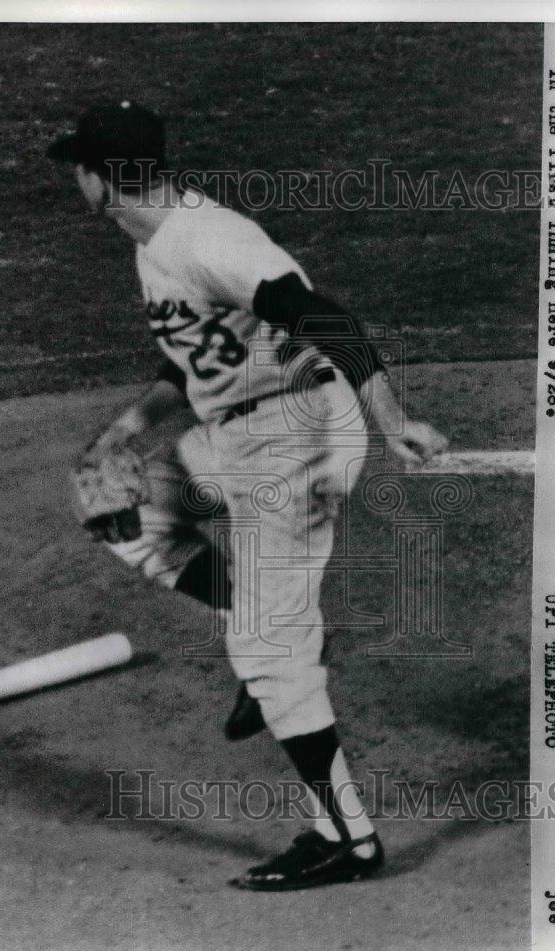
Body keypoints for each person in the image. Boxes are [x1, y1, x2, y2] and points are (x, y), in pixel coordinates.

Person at [47, 101, 448, 891]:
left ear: (99, 178)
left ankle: (345, 838)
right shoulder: (153, 236)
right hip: (240, 430)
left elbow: (324, 317)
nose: (73, 180)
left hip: (299, 438)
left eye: (78, 169)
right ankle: (257, 617)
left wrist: (392, 417)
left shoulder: (210, 241)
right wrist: (130, 422)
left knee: (268, 658)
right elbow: (200, 350)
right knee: (118, 508)